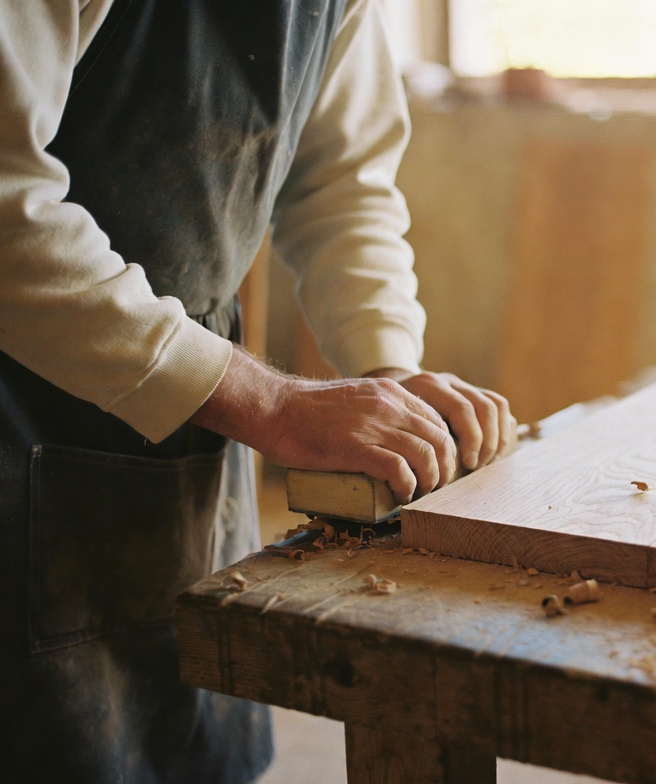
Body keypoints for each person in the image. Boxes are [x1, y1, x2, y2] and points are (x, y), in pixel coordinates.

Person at [0, 1, 514, 781]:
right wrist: (269, 403)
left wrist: (385, 370)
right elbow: (7, 210)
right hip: (18, 406)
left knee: (191, 727)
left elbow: (342, 185)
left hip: (195, 427)